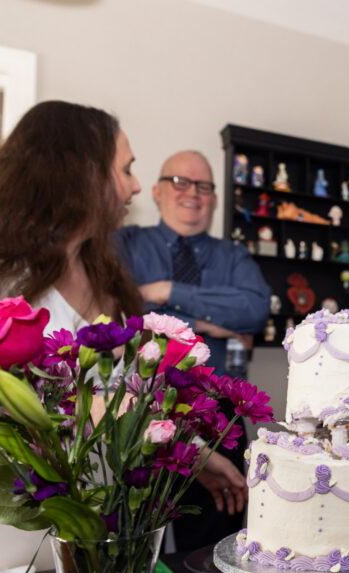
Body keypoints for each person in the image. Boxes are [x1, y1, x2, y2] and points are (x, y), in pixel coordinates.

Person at [0, 101, 245, 573]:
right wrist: (103, 425)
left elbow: (124, 394)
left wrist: (194, 454)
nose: (136, 186)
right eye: (125, 169)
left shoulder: (103, 270)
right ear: (78, 174)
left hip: (91, 527)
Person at [115, 150, 270, 551]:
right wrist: (208, 322)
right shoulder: (126, 243)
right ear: (156, 191)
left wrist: (165, 293)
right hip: (137, 410)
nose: (192, 193)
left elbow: (253, 311)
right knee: (133, 545)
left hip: (219, 417)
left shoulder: (233, 256)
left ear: (215, 198)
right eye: (179, 182)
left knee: (218, 550)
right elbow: (118, 313)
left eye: (203, 186)